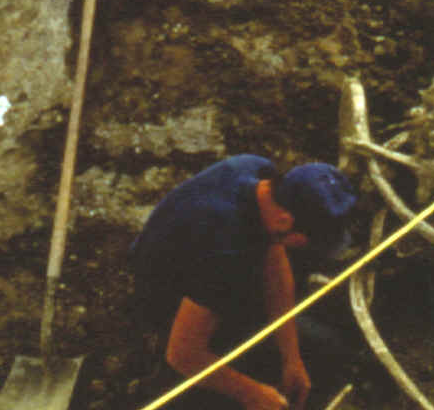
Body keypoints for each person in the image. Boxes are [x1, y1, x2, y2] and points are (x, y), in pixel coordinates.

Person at [129, 155, 357, 410]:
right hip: (167, 299)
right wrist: (253, 394)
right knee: (225, 391)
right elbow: (182, 354)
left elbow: (274, 261)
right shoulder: (225, 253)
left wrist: (291, 358)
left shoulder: (259, 172)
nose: (313, 247)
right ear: (285, 221)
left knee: (324, 346)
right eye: (311, 239)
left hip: (203, 266)